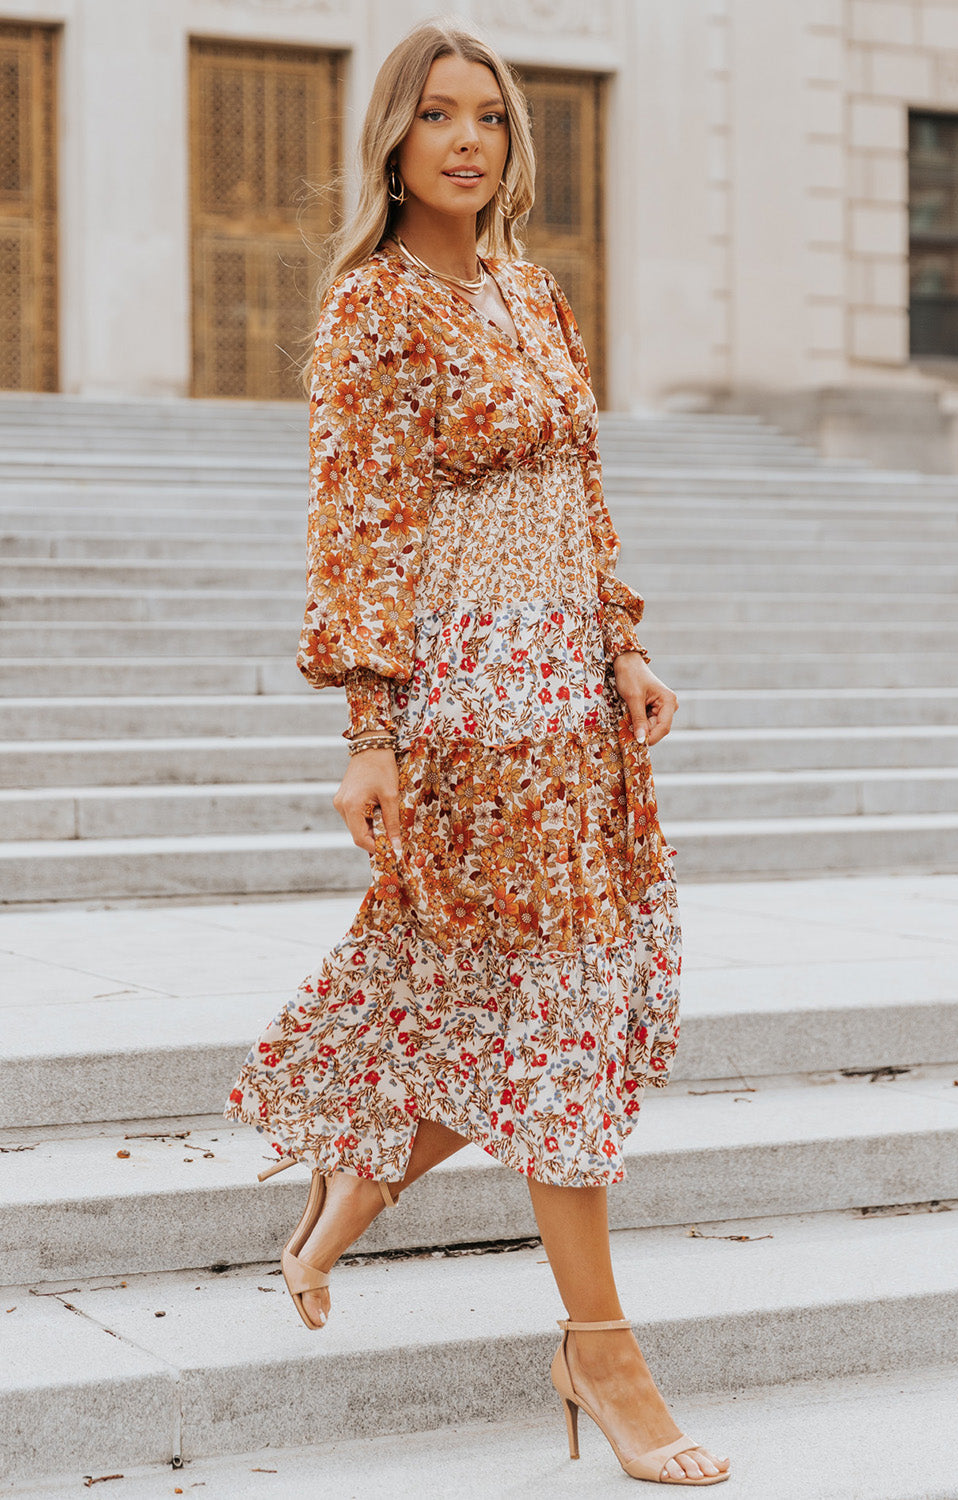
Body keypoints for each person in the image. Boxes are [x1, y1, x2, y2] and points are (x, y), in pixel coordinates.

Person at [225, 18, 729, 1488]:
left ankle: (338, 1212)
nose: (466, 139)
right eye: (436, 115)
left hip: (571, 692)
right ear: (389, 138)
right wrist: (368, 730)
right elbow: (359, 532)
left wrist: (622, 640)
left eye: (490, 118)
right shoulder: (370, 312)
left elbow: (584, 487)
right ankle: (603, 1352)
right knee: (558, 1005)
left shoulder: (531, 291)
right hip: (469, 704)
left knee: (542, 1002)